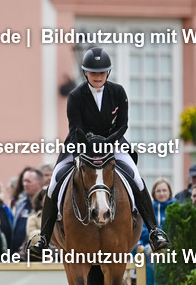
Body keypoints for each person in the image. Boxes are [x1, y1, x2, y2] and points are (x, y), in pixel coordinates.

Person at [31, 47, 171, 255]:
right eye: (93, 72)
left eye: (102, 72)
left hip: (112, 142)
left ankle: (154, 231)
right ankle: (43, 237)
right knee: (54, 182)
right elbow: (75, 127)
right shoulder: (75, 96)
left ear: (108, 72)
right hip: (80, 143)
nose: (98, 76)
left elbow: (122, 125)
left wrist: (107, 141)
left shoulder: (118, 92)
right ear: (86, 73)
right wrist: (90, 143)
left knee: (136, 178)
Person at [12, 168, 43, 254]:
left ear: (39, 183)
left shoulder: (46, 203)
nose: (25, 184)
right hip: (19, 255)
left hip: (39, 255)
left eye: (28, 181)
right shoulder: (20, 203)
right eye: (24, 181)